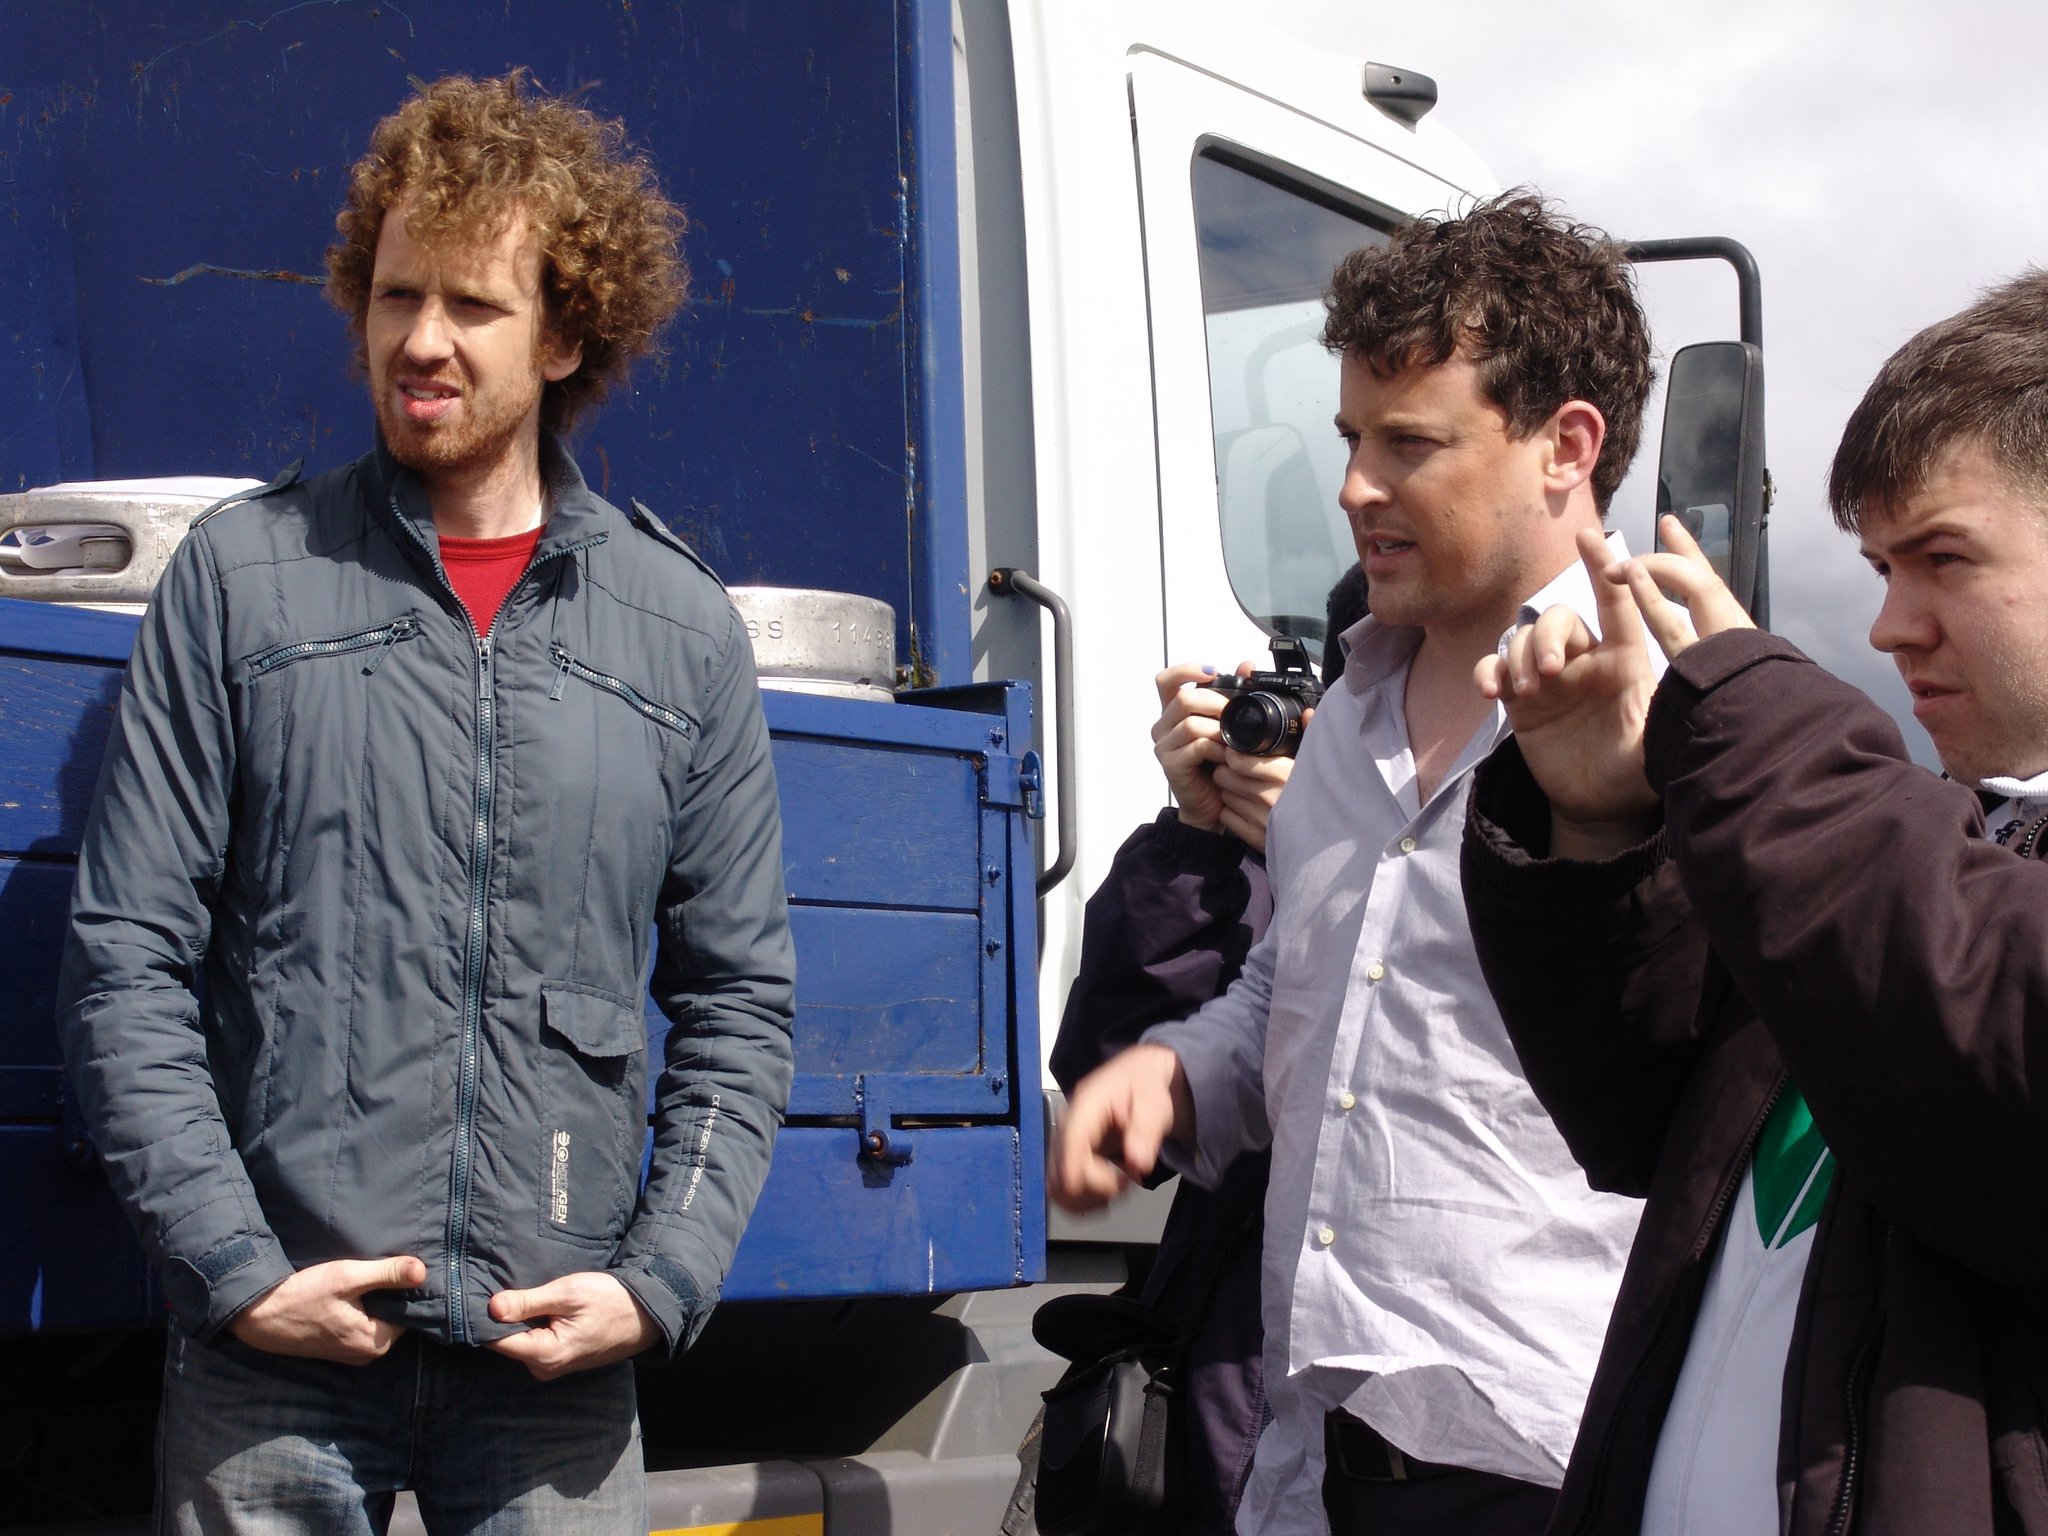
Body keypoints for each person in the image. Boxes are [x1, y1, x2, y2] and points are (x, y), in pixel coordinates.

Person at [55, 72, 796, 1535]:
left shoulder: (677, 629)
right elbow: (125, 956)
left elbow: (739, 1000)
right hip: (277, 1358)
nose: (422, 342)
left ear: (570, 332)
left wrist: (657, 1283)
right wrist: (235, 1269)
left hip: (553, 1367)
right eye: (396, 297)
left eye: (473, 305)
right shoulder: (245, 577)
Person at [1048, 192, 1653, 1535]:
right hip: (1313, 1462)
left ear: (1567, 446)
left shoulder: (1669, 712)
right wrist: (1174, 1073)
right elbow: (1299, 990)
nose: (1353, 487)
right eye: (1348, 439)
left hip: (1555, 1462)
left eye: (1408, 444)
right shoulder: (1349, 718)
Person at [1462, 270, 2048, 1534]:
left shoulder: (1886, 848)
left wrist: (1750, 721)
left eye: (1941, 558)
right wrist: (1597, 823)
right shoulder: (1950, 846)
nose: (1888, 627)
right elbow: (1650, 1129)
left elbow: (1998, 1055)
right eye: (1878, 568)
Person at [1015, 566, 1366, 1536]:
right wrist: (1198, 839)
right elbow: (1109, 1065)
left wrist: (1333, 861)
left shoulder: (1486, 833)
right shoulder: (1239, 859)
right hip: (1230, 1361)